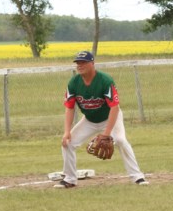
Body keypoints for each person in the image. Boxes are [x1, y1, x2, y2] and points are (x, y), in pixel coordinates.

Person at [57, 50, 147, 188]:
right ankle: (69, 179)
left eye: (83, 62)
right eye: (78, 63)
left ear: (92, 63)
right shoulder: (73, 83)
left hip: (111, 117)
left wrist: (107, 132)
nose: (79, 65)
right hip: (89, 120)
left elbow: (114, 107)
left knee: (121, 140)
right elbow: (69, 108)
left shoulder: (105, 81)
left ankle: (137, 177)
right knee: (67, 142)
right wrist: (66, 131)